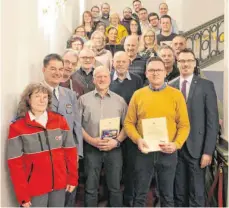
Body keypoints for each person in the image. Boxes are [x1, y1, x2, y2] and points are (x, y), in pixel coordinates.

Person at [124, 57, 190, 207]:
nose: (155, 73)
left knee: (167, 196)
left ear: (166, 72)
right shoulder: (138, 95)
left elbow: (184, 125)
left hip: (168, 153)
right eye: (151, 70)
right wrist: (137, 139)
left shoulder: (176, 95)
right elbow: (128, 123)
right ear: (146, 73)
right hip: (143, 153)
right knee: (139, 196)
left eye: (159, 70)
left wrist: (176, 144)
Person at [7, 83, 78, 207]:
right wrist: (22, 194)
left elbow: (70, 152)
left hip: (60, 185)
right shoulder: (17, 127)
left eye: (45, 97)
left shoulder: (59, 120)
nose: (42, 100)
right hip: (35, 188)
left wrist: (72, 178)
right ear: (28, 99)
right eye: (37, 96)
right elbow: (15, 164)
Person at [169, 49, 219, 207]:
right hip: (175, 148)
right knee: (178, 192)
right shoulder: (170, 86)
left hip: (197, 150)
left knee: (197, 193)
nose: (185, 64)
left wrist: (208, 151)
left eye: (189, 61)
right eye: (182, 61)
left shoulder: (206, 85)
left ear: (195, 63)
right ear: (177, 64)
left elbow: (212, 120)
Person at [78, 66, 128, 207]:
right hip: (91, 148)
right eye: (98, 76)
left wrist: (116, 142)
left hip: (114, 149)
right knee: (91, 187)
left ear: (110, 79)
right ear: (93, 80)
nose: (102, 79)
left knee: (115, 187)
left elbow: (127, 126)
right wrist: (91, 140)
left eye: (105, 76)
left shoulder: (120, 101)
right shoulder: (83, 100)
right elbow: (77, 125)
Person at [110, 51, 143, 206]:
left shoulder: (137, 80)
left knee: (131, 167)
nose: (121, 64)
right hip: (111, 131)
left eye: (123, 61)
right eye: (118, 61)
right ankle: (113, 199)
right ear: (113, 63)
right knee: (113, 168)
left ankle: (129, 198)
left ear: (129, 62)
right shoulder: (107, 78)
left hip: (131, 131)